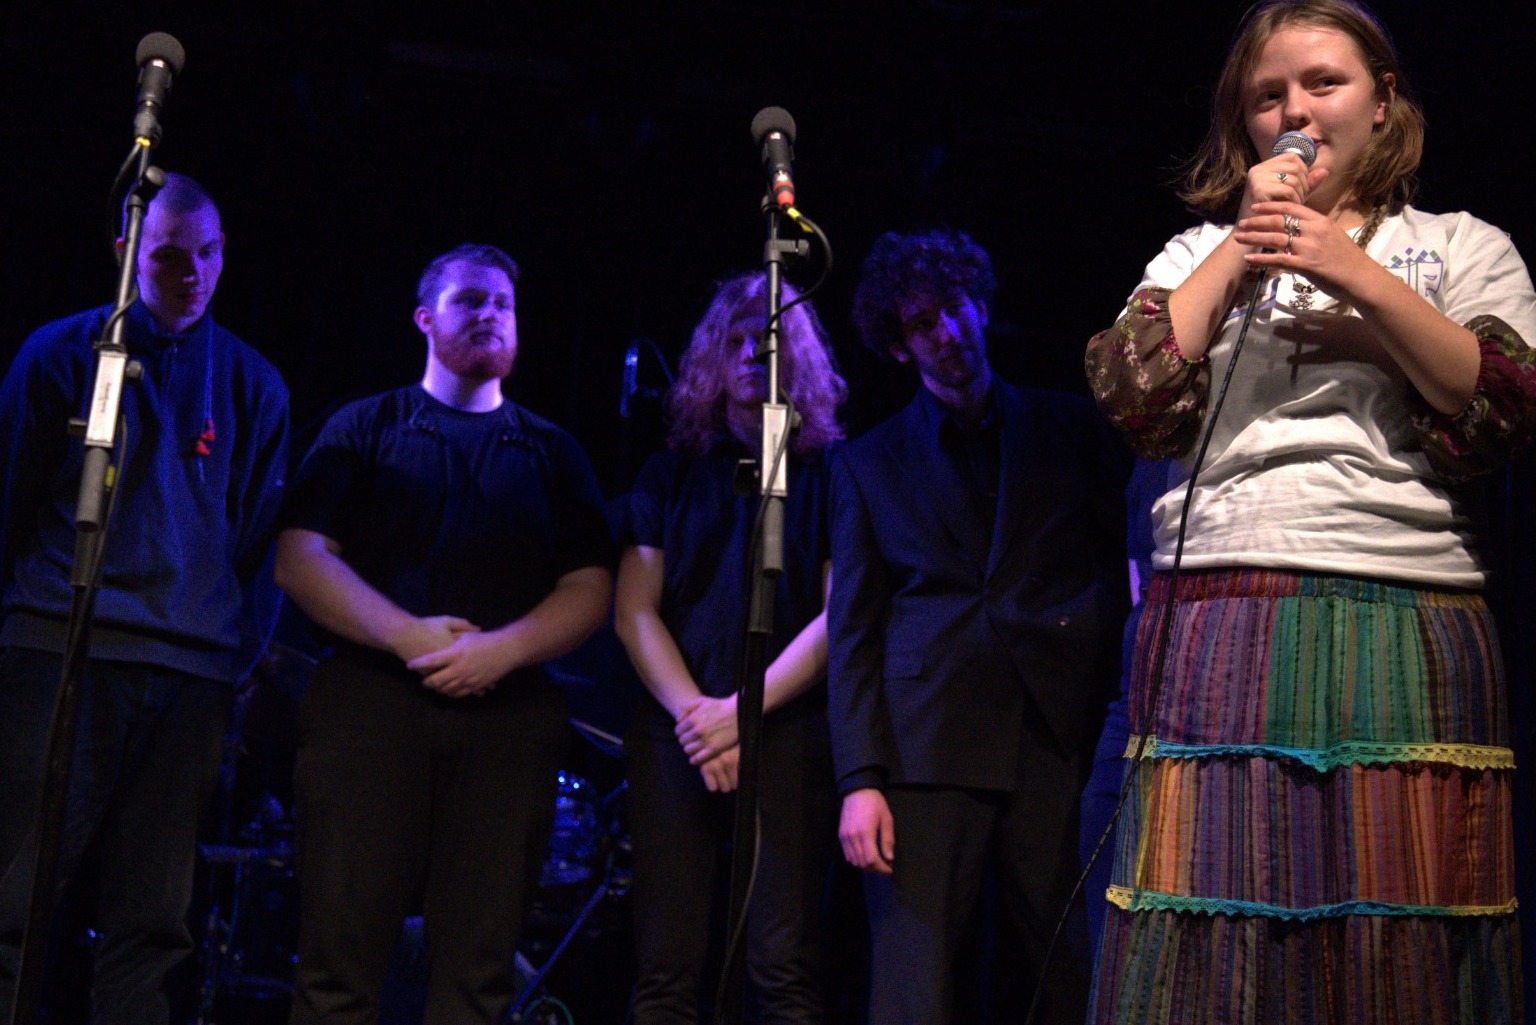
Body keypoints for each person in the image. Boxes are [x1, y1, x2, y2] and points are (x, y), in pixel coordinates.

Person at [1084, 2, 1536, 1021]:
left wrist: (1347, 266)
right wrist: (1242, 249)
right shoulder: (1195, 253)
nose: (1294, 110)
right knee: (1211, 935)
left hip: (1405, 606)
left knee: (1397, 938)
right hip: (1220, 613)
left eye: (1323, 83)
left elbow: (1498, 404)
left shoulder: (1462, 246)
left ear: (1383, 101)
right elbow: (1134, 392)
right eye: (1267, 96)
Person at [275, 243, 614, 1024]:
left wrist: (500, 649)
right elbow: (299, 557)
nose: (490, 313)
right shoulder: (364, 426)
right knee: (338, 961)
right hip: (370, 707)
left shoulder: (552, 452)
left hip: (507, 719)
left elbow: (591, 586)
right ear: (425, 318)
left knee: (478, 973)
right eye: (470, 299)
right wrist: (408, 636)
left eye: (503, 303)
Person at [0, 173, 289, 1024]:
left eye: (209, 253)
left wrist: (225, 665)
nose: (193, 274)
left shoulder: (255, 384)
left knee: (154, 919)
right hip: (57, 649)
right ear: (126, 249)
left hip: (186, 676)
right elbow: (12, 496)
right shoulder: (59, 353)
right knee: (16, 894)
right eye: (168, 256)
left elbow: (259, 546)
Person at [829, 227, 1126, 1025]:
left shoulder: (1069, 429)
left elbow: (1118, 567)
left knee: (1077, 971)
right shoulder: (868, 461)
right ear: (899, 344)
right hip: (924, 748)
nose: (947, 332)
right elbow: (852, 631)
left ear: (981, 306)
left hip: (1051, 734)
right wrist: (860, 780)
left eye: (955, 308)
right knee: (911, 987)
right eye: (922, 322)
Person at [614, 272, 846, 1024]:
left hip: (785, 728)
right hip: (678, 732)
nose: (751, 354)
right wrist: (701, 718)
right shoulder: (670, 472)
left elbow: (838, 615)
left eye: (768, 342)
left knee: (782, 969)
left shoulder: (829, 475)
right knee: (667, 968)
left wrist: (742, 713)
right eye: (737, 340)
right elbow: (634, 611)